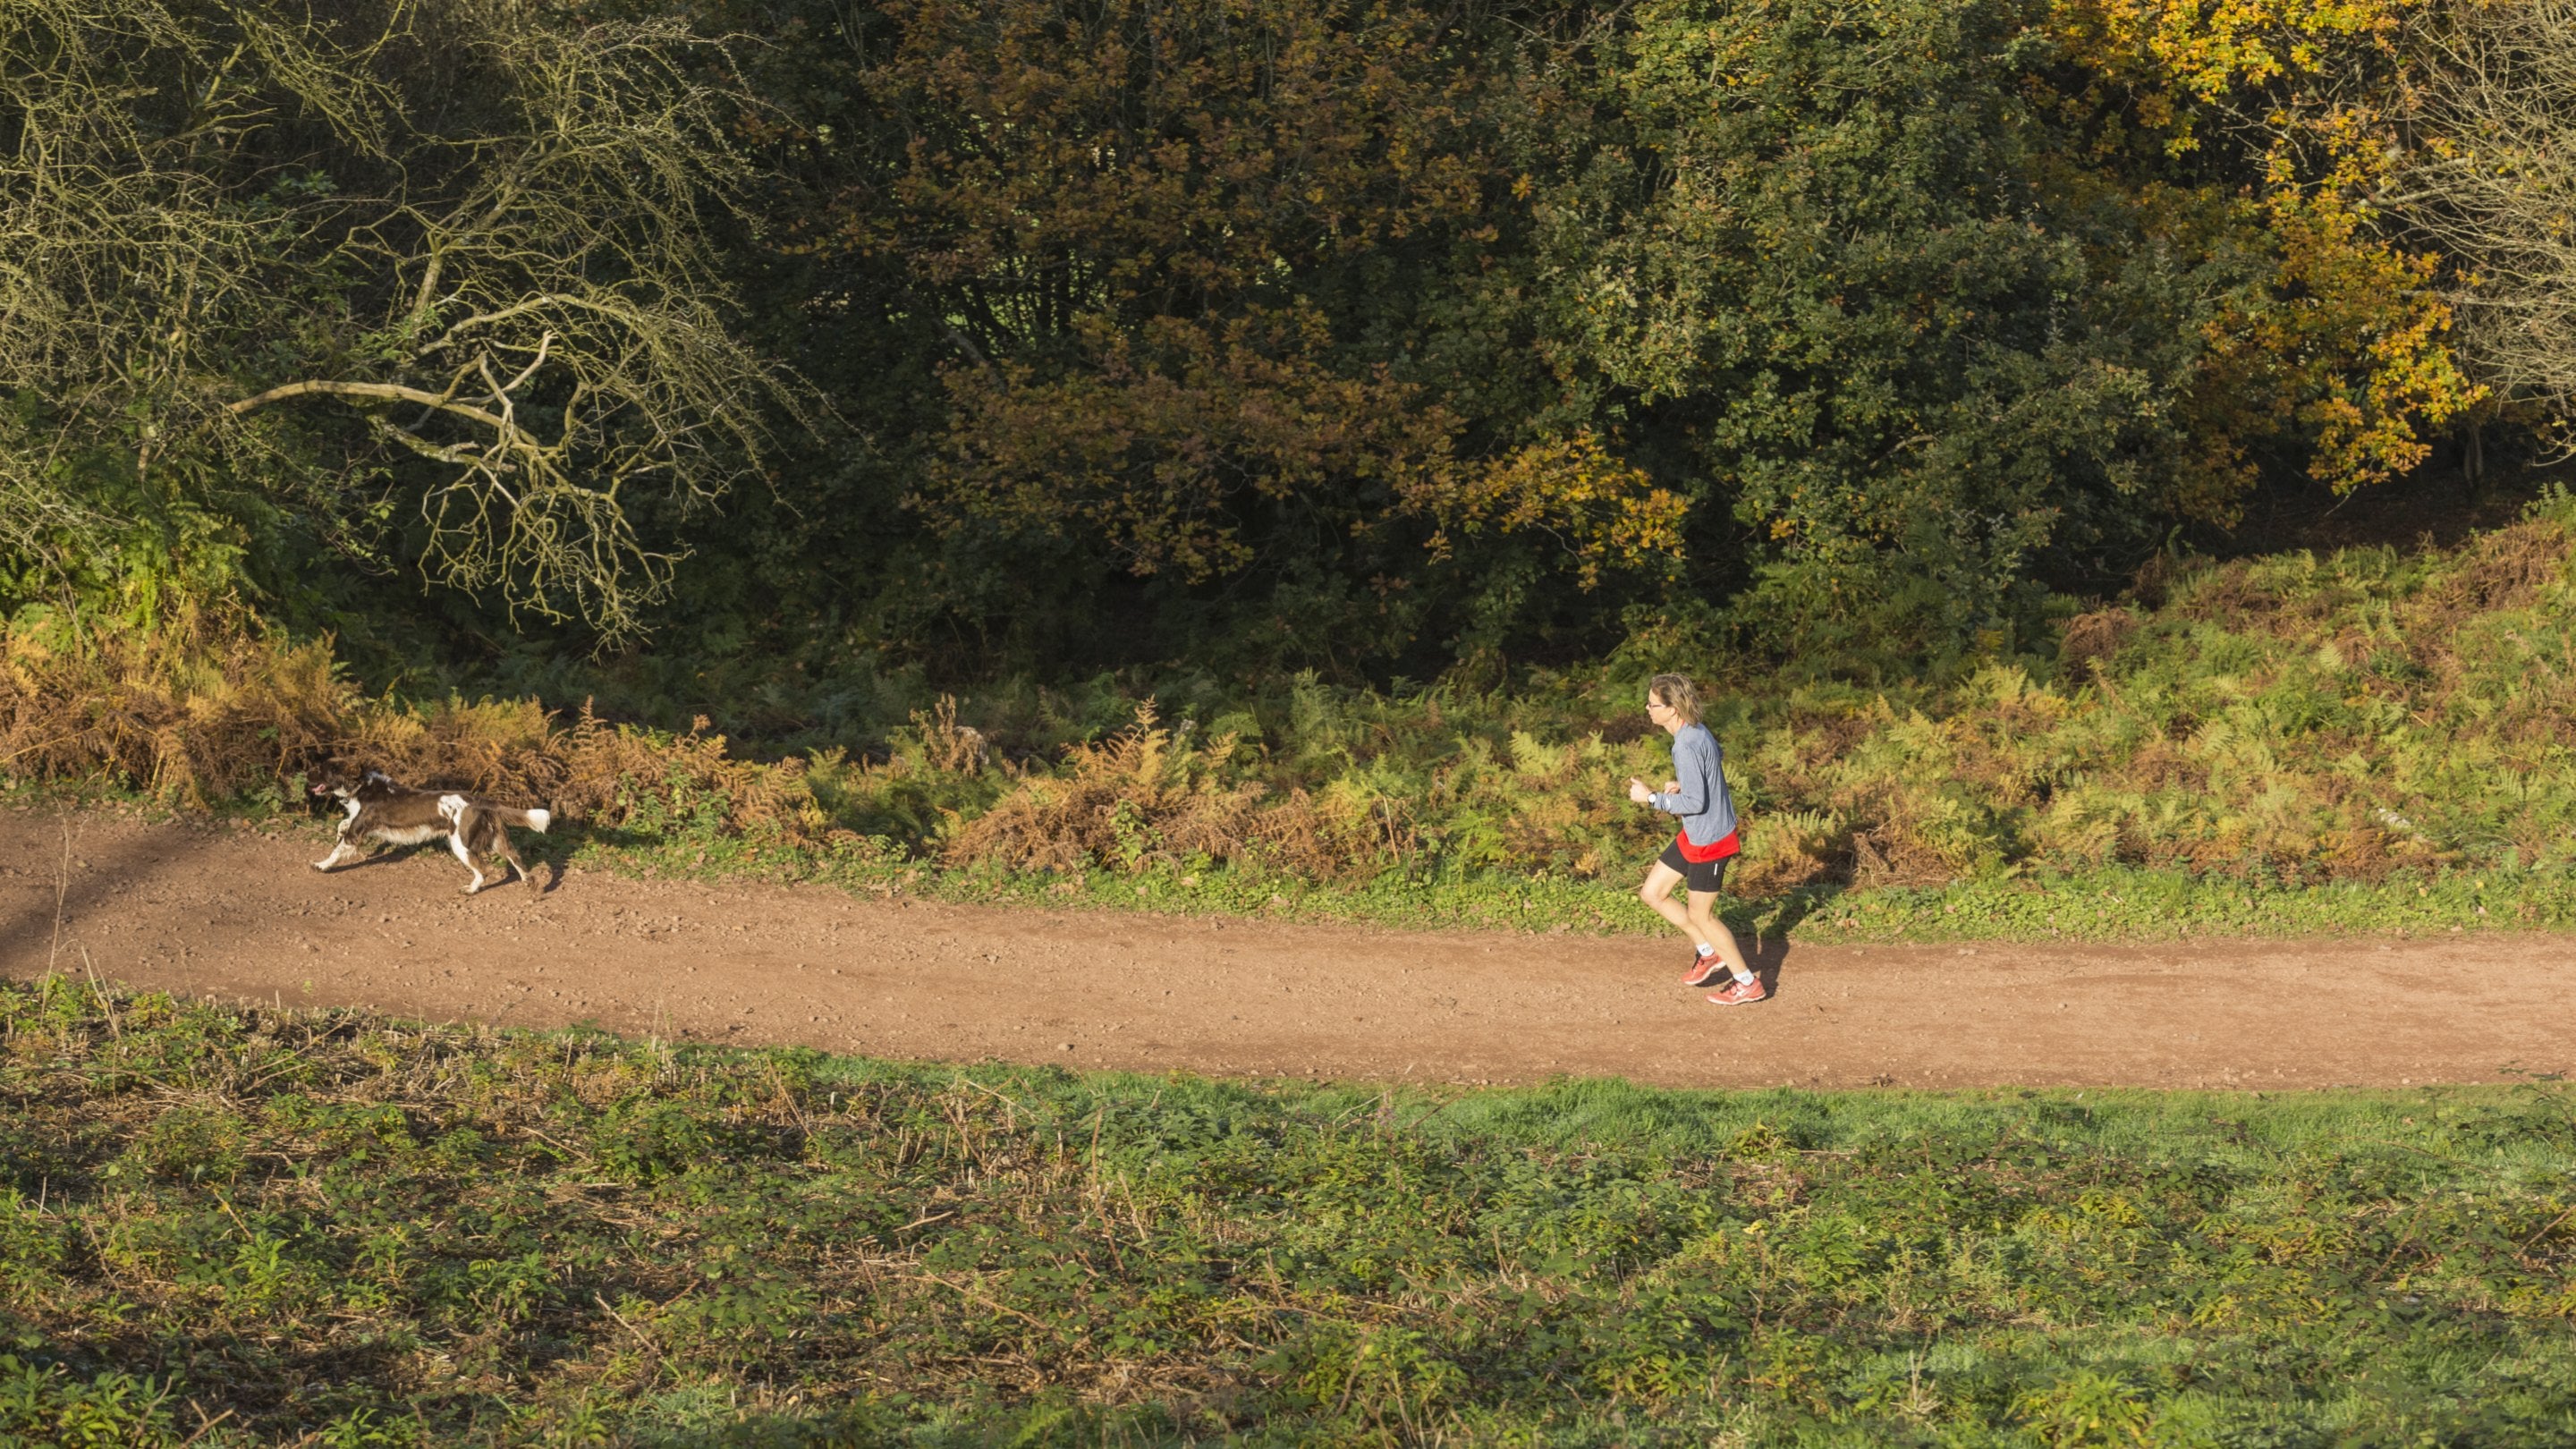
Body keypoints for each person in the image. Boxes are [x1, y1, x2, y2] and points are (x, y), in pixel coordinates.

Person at [1626, 673, 1765, 1005]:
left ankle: (1747, 982)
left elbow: (1695, 804)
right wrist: (1686, 783)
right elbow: (1717, 754)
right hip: (1695, 832)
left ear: (1672, 709)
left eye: (1653, 704)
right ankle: (1708, 952)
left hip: (1711, 839)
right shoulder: (1696, 729)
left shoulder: (1686, 744)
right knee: (1653, 893)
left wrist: (1651, 797)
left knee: (1703, 916)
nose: (1648, 709)